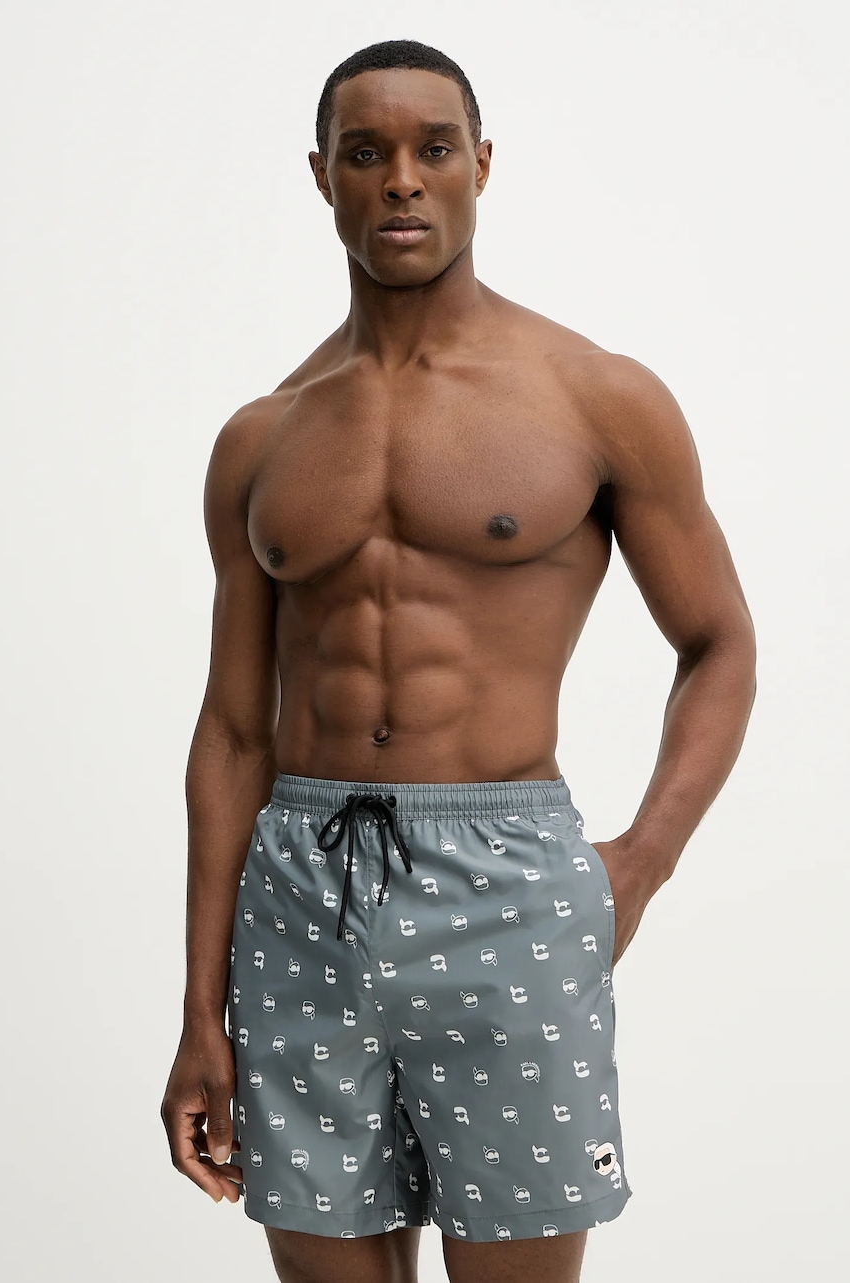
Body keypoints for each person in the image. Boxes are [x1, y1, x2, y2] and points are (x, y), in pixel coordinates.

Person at [160, 37, 756, 1283]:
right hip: (299, 892)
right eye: (365, 153)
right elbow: (233, 732)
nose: (402, 180)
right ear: (320, 175)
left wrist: (641, 862)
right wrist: (199, 1011)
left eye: (433, 149)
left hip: (508, 884)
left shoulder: (596, 397)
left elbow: (718, 642)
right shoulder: (260, 439)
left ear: (481, 165)